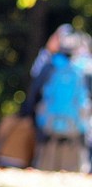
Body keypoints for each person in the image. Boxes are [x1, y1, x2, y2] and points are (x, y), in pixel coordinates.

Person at [22, 30, 91, 172]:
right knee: (75, 174)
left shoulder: (50, 66)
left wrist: (30, 116)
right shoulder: (85, 70)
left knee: (45, 170)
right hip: (78, 131)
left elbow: (34, 95)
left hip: (48, 128)